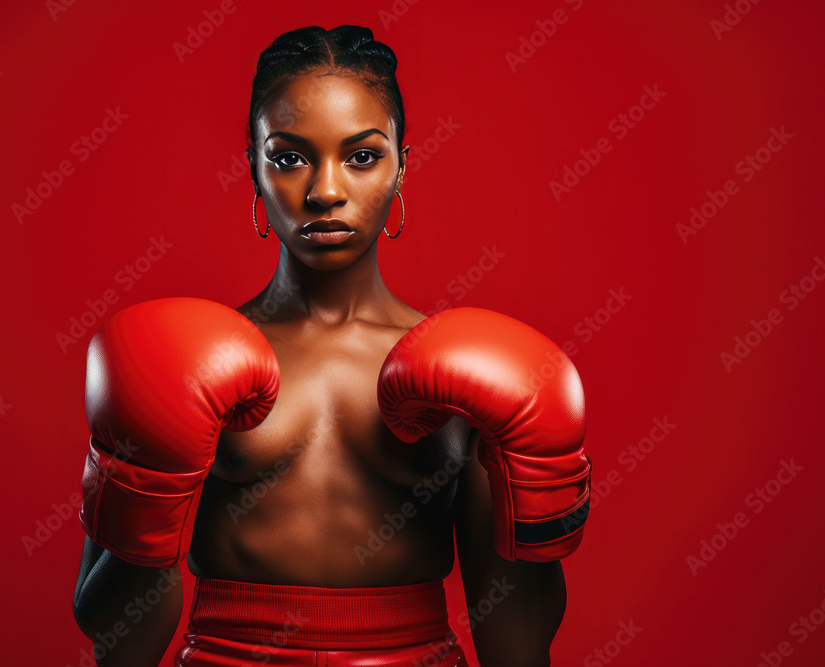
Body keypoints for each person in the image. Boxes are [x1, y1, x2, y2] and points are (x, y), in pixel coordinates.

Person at [72, 25, 591, 667]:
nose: (325, 191)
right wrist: (143, 491)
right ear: (253, 169)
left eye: (362, 156)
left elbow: (519, 641)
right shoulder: (180, 359)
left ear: (402, 165)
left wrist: (543, 500)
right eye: (289, 157)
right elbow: (116, 642)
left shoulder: (476, 369)